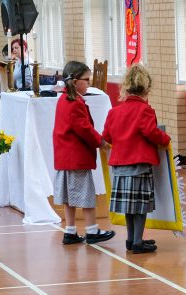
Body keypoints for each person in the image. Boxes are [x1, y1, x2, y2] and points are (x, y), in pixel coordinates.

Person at [102, 64, 171, 254]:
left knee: (128, 206)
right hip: (139, 163)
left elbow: (106, 136)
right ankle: (138, 242)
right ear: (146, 88)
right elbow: (150, 132)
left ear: (125, 87)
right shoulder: (145, 110)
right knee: (140, 206)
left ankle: (131, 239)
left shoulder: (113, 112)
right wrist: (165, 139)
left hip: (120, 165)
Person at [53, 60, 115, 245]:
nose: (89, 83)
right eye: (86, 79)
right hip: (76, 157)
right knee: (87, 195)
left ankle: (70, 230)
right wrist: (102, 142)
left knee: (69, 197)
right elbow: (84, 128)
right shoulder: (74, 103)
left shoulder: (64, 99)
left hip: (65, 157)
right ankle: (92, 230)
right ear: (75, 81)